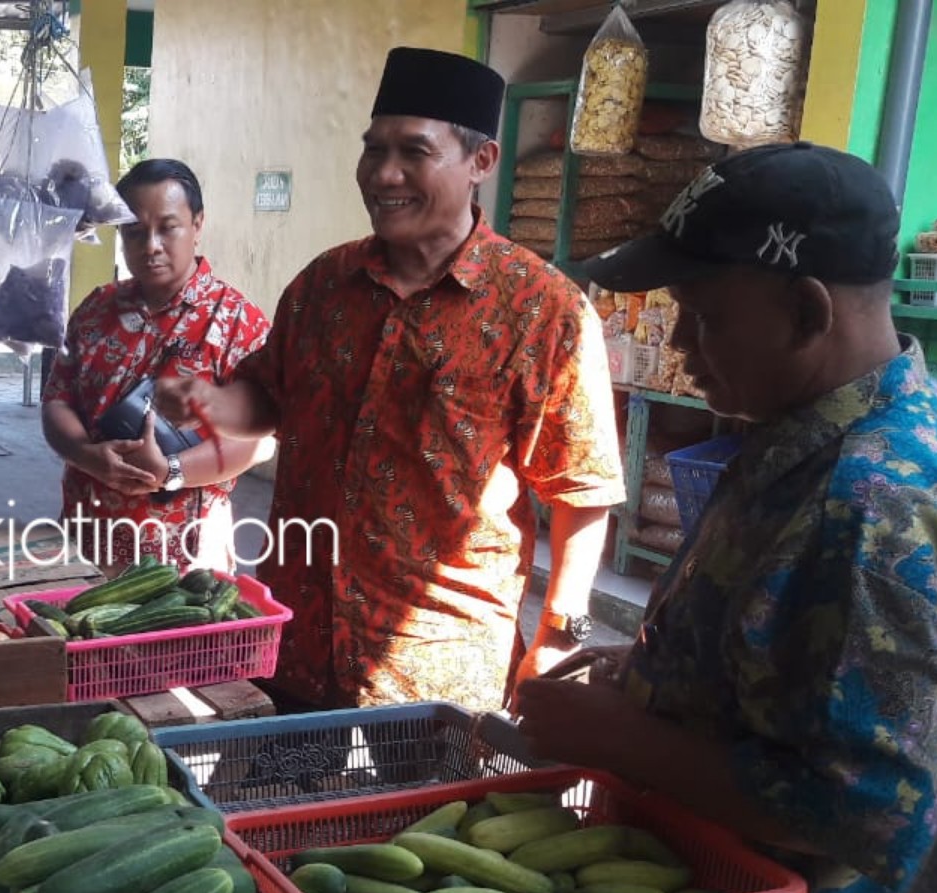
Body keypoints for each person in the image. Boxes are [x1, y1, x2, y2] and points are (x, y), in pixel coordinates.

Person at [512, 144, 937, 893]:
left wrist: (616, 737)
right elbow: (801, 659)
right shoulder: (822, 427)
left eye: (706, 317)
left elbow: (862, 809)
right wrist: (659, 678)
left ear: (808, 311)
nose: (683, 344)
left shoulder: (874, 501)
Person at [155, 48, 625, 715]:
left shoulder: (543, 310)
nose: (384, 174)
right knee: (282, 786)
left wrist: (558, 635)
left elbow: (583, 489)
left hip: (439, 666)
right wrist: (210, 402)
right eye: (373, 150)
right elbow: (268, 398)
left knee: (434, 793)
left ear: (481, 161)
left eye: (414, 151)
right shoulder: (323, 284)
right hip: (298, 644)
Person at [42, 158, 272, 572]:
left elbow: (260, 440)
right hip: (84, 546)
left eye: (168, 227)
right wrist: (86, 455)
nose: (150, 245)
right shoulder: (96, 309)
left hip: (184, 563)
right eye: (134, 231)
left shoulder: (240, 322)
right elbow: (57, 400)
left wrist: (171, 471)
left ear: (197, 224)